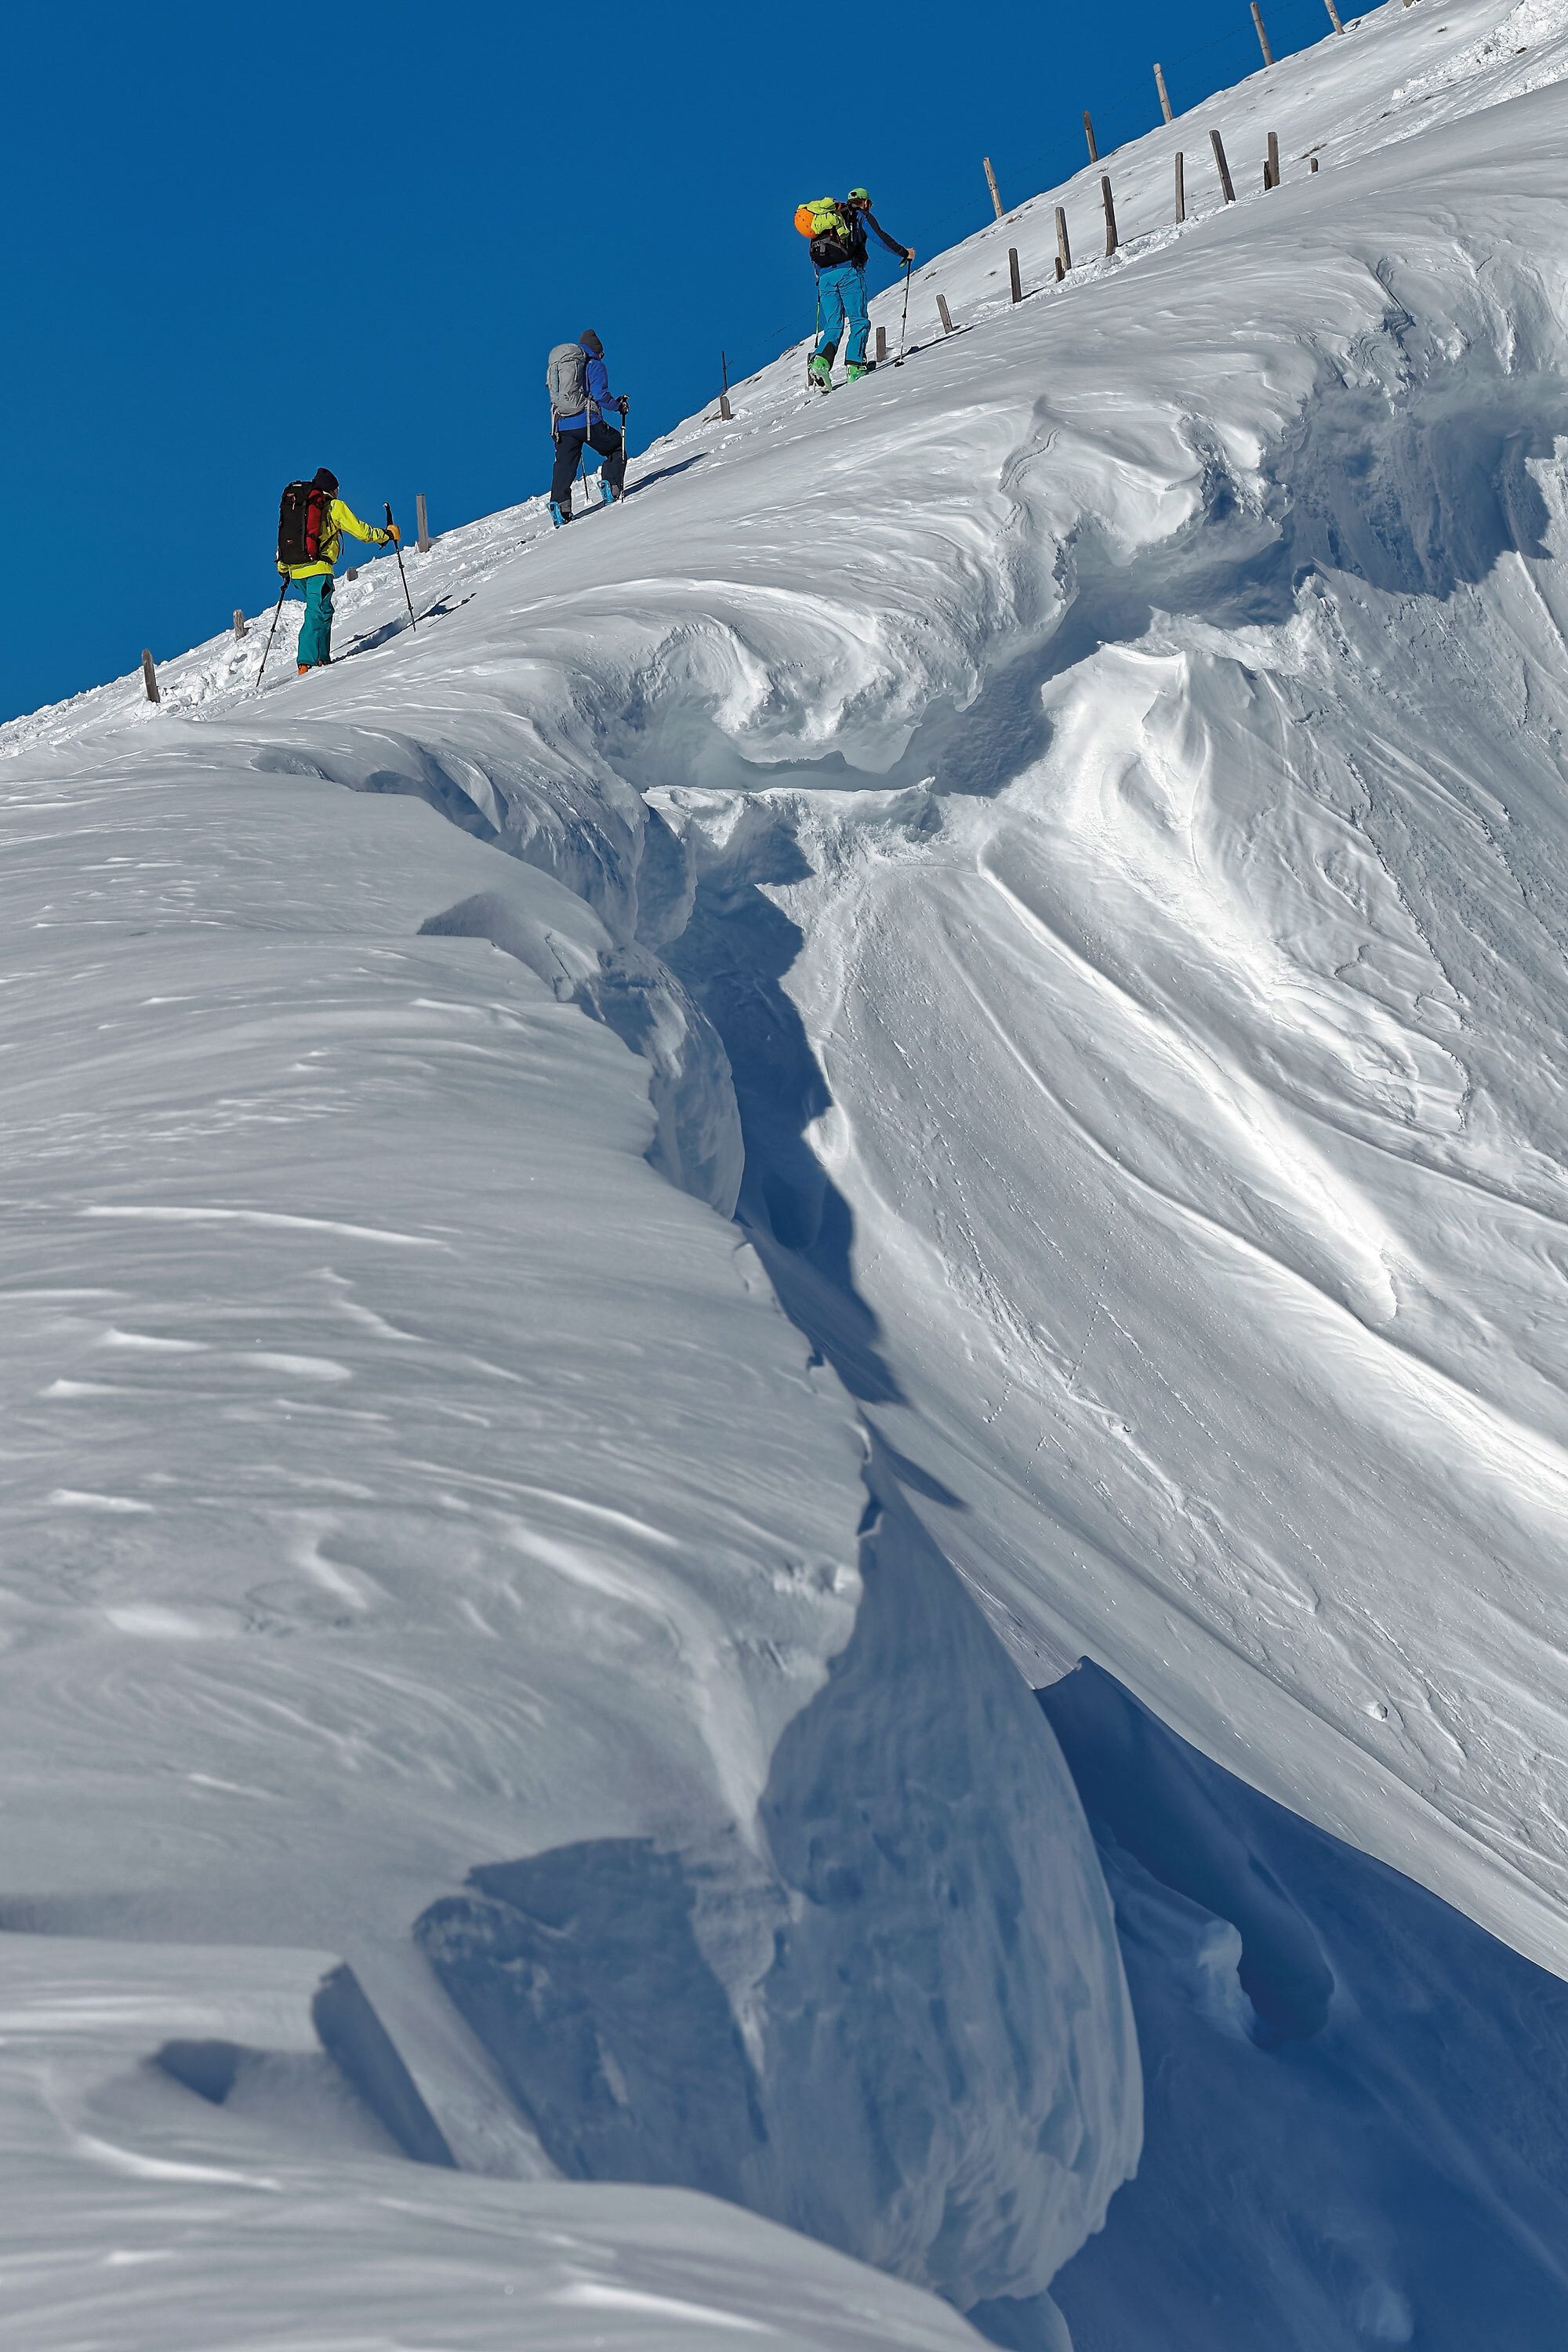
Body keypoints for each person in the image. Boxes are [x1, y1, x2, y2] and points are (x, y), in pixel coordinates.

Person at [279, 469, 399, 673]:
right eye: (337, 490)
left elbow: (285, 537)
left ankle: (322, 658)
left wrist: (283, 568)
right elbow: (361, 531)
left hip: (295, 569)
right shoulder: (333, 507)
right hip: (318, 568)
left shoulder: (299, 508)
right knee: (316, 613)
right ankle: (306, 662)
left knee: (324, 611)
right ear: (332, 490)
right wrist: (386, 535)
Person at [808, 191, 914, 390]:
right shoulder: (859, 216)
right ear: (864, 202)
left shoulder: (829, 220)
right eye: (869, 204)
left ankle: (820, 363)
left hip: (824, 279)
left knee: (833, 325)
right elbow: (880, 238)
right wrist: (904, 253)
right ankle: (855, 367)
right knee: (859, 320)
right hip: (849, 272)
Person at [548, 331, 628, 527]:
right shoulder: (594, 364)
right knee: (616, 446)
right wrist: (619, 406)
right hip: (587, 421)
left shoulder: (564, 366)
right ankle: (611, 486)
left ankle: (560, 507)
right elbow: (600, 395)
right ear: (597, 350)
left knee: (564, 466)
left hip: (563, 424)